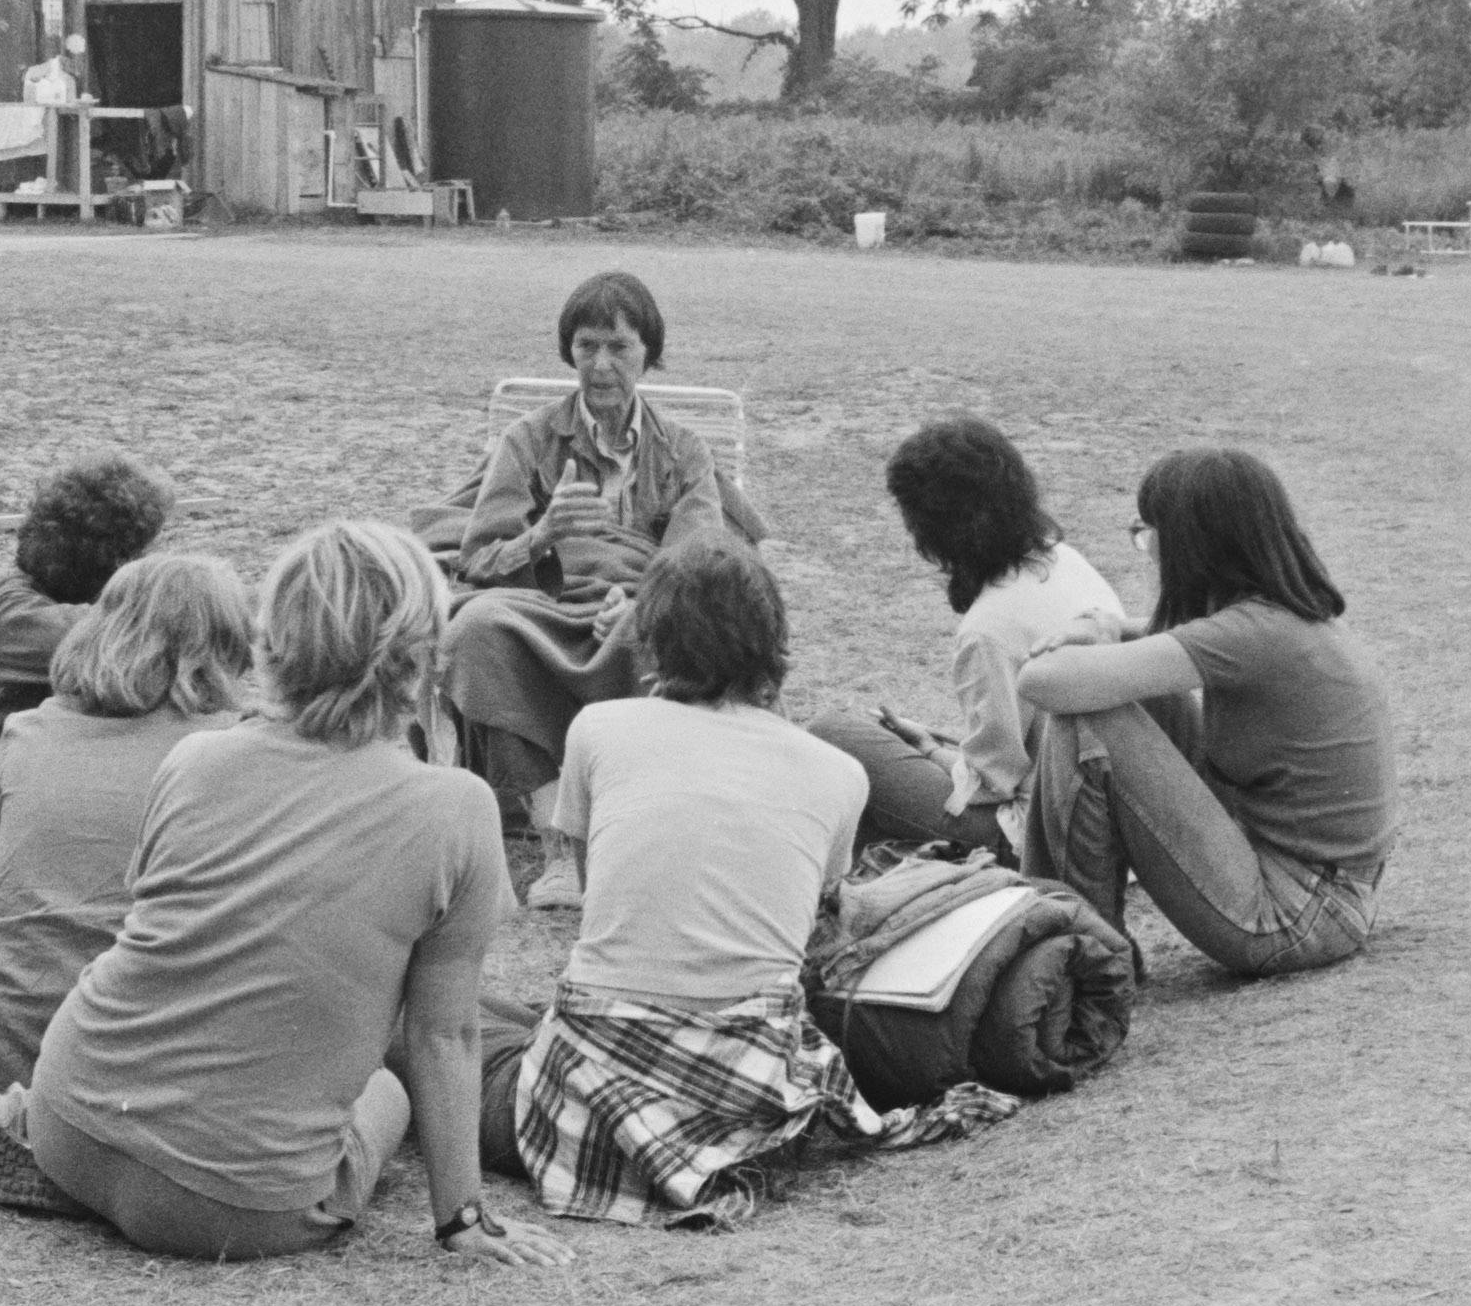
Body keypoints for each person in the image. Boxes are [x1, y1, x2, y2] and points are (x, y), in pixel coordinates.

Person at [0, 520, 566, 1270]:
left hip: (69, 1115)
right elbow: (443, 1035)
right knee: (386, 1080)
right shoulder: (453, 806)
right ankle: (51, 1137)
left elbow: (153, 930)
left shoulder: (196, 759)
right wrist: (461, 1216)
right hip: (229, 1204)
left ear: (273, 639)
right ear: (418, 651)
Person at [508, 547, 1009, 1227]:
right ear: (775, 647)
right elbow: (813, 924)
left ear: (649, 641)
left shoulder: (598, 729)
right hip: (757, 1080)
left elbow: (601, 908)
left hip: (606, 1063)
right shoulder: (836, 772)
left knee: (470, 1029)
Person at [1015, 447, 1394, 980]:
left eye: (1148, 535)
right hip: (1327, 892)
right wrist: (1113, 630)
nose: (1147, 551)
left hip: (1297, 916)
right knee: (1137, 693)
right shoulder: (1285, 617)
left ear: (1194, 547)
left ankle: (1083, 954)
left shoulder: (1248, 636)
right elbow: (1175, 637)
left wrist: (1084, 646)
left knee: (1090, 719)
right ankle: (1066, 932)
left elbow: (1040, 682)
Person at [0, 550, 252, 1108]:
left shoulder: (29, 730)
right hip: (151, 1082)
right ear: (230, 649)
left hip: (8, 1068)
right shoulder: (238, 751)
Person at [438, 270, 743, 815]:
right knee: (475, 630)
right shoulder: (528, 439)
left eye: (619, 347)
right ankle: (553, 826)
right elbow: (478, 558)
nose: (601, 365)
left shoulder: (685, 451)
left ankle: (645, 803)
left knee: (670, 633)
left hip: (638, 605)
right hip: (543, 606)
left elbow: (696, 562)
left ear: (648, 354)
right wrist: (543, 532)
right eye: (587, 347)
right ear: (569, 352)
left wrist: (637, 602)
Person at [805, 415, 1128, 859]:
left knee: (833, 733)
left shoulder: (988, 629)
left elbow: (991, 785)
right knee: (875, 778)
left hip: (1034, 833)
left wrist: (930, 751)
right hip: (1107, 806)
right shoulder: (1065, 559)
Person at [0, 453, 177, 776]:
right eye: (143, 551)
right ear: (113, 560)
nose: (151, 557)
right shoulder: (18, 616)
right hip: (15, 790)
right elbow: (148, 634)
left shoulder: (57, 585)